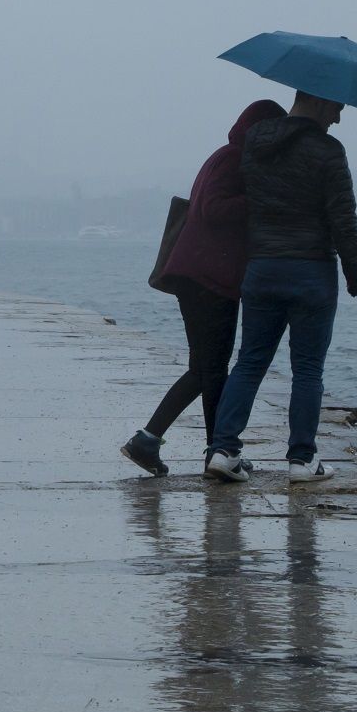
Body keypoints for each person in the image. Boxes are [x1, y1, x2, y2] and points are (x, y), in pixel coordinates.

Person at [204, 91, 357, 486]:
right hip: (311, 271)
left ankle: (223, 450)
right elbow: (342, 216)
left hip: (262, 268)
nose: (338, 118)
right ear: (320, 101)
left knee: (249, 362)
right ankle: (302, 459)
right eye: (338, 107)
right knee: (307, 369)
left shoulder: (256, 143)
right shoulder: (328, 150)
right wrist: (354, 271)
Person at [121, 99, 284, 477]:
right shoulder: (232, 159)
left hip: (204, 276)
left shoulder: (229, 157)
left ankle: (171, 443)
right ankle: (208, 448)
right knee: (209, 370)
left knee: (207, 370)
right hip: (208, 279)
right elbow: (213, 208)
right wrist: (260, 199)